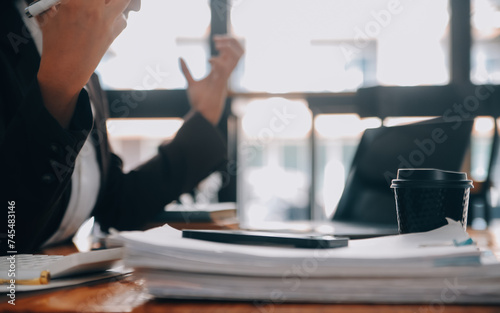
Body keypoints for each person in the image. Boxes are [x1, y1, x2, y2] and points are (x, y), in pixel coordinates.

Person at [0, 0, 244, 253]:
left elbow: (115, 204)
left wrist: (204, 116)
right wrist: (57, 88)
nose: (135, 5)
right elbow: (8, 233)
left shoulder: (87, 71)